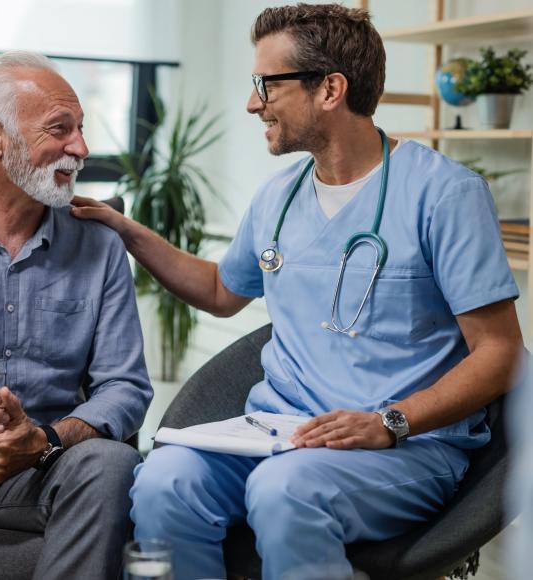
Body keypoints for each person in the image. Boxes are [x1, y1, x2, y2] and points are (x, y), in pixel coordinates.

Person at [71, 4, 523, 579]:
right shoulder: (278, 196)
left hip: (403, 445)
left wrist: (391, 421)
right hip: (279, 432)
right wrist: (127, 231)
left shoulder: (444, 195)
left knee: (286, 490)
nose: (252, 102)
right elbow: (219, 290)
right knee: (164, 481)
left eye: (266, 84)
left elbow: (499, 352)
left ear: (330, 88)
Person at [0, 51, 152, 580]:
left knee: (112, 465)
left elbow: (125, 386)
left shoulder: (100, 246)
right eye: (59, 129)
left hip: (38, 474)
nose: (82, 148)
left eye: (81, 129)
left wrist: (42, 441)